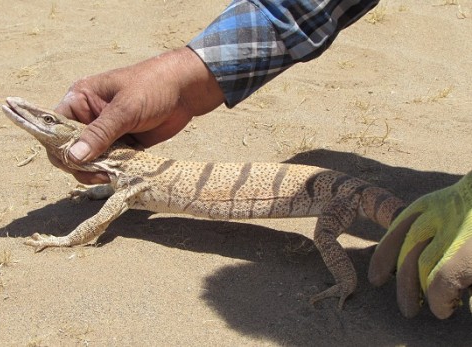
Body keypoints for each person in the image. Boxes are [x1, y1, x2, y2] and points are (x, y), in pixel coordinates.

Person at [51, 0, 472, 319]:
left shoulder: (131, 176)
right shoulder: (130, 174)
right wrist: (182, 75)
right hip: (334, 185)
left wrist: (65, 239)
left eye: (50, 121)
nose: (43, 121)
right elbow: (297, 8)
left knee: (326, 238)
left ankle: (346, 283)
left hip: (336, 193)